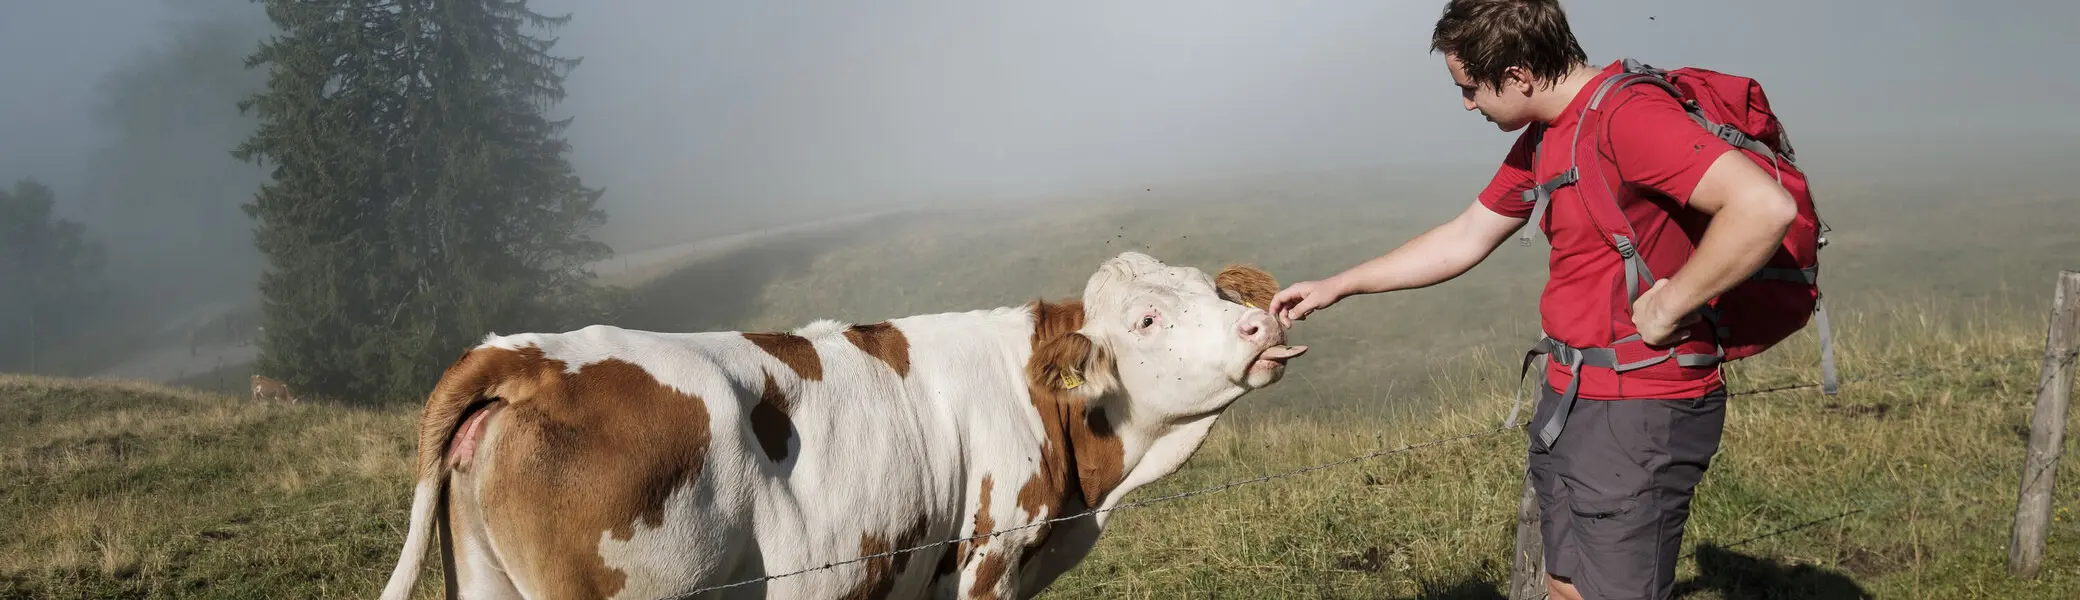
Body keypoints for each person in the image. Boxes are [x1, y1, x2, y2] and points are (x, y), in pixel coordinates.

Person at [1265, 1, 1799, 599]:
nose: (1467, 104)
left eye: (1470, 88)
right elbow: (1468, 235)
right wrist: (1339, 284)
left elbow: (1763, 207)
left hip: (1640, 407)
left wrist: (1674, 302)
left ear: (1517, 75)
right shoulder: (1550, 132)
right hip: (1572, 398)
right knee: (1564, 584)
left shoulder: (1628, 116)